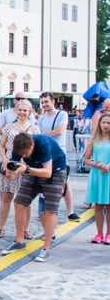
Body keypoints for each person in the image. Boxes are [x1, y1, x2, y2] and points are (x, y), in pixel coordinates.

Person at [1, 132, 68, 263]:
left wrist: (27, 169)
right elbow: (15, 173)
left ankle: (46, 248)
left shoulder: (44, 144)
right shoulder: (18, 148)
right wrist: (9, 173)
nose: (24, 156)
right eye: (22, 154)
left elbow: (48, 172)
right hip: (34, 170)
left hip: (55, 171)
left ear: (32, 144)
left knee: (50, 209)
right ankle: (19, 241)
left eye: (26, 153)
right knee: (19, 202)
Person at [0, 99, 35, 239]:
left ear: (29, 112)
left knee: (26, 199)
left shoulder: (33, 128)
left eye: (25, 110)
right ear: (16, 111)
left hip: (25, 164)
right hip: (10, 163)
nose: (22, 112)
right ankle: (1, 227)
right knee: (6, 197)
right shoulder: (9, 127)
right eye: (20, 109)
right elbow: (1, 145)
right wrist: (5, 160)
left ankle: (26, 228)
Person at [36, 92, 79, 221]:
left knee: (64, 182)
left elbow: (60, 131)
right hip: (46, 153)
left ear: (53, 101)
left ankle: (70, 211)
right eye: (42, 102)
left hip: (59, 152)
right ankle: (45, 210)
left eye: (46, 102)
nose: (44, 105)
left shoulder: (62, 114)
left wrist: (43, 135)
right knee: (44, 180)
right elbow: (39, 133)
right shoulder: (41, 118)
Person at [84, 112, 110, 243]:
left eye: (108, 123)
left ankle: (109, 234)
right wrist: (96, 164)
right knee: (98, 205)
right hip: (97, 174)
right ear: (99, 124)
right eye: (103, 122)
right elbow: (86, 159)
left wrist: (108, 166)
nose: (106, 125)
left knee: (109, 205)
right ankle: (99, 233)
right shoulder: (94, 139)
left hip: (108, 174)